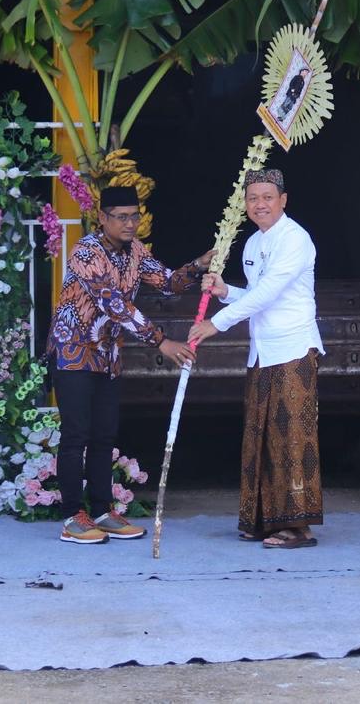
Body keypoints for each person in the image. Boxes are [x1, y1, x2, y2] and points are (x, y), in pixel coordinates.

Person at [47, 185, 210, 544]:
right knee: (76, 435)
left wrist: (199, 265)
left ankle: (103, 512)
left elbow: (168, 284)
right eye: (121, 217)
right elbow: (112, 303)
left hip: (108, 355)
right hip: (73, 349)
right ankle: (73, 516)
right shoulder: (85, 251)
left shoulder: (137, 251)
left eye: (134, 216)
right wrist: (161, 340)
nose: (130, 223)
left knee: (105, 435)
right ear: (102, 217)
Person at [189, 169, 325, 550]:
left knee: (292, 439)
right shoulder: (252, 243)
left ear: (284, 199)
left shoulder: (295, 239)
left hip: (293, 349)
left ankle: (298, 526)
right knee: (260, 435)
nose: (259, 204)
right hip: (263, 351)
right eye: (252, 198)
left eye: (267, 196)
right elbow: (253, 293)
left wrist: (214, 324)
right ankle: (265, 519)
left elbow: (267, 295)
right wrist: (224, 290)